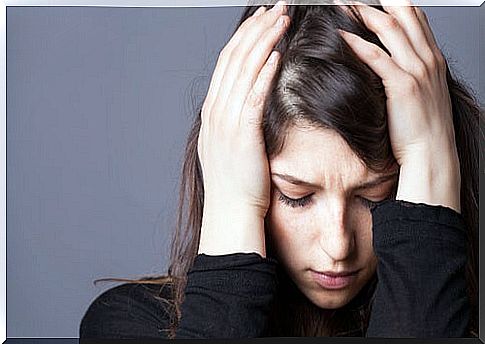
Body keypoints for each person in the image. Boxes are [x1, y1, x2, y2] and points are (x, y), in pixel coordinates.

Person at [79, 0, 481, 338]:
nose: (338, 246)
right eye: (297, 196)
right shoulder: (129, 323)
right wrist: (234, 211)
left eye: (373, 197)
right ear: (235, 171)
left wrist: (428, 152)